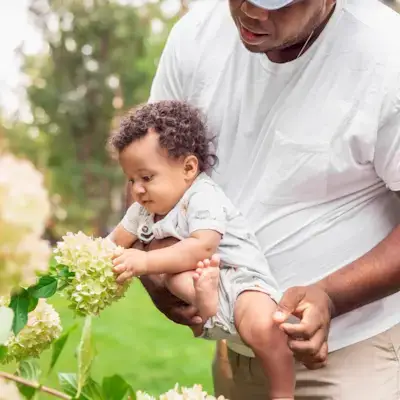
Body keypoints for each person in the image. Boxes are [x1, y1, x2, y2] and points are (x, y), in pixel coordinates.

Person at [129, 0, 400, 398]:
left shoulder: (386, 55)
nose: (252, 11)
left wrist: (331, 296)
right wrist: (154, 263)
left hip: (349, 359)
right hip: (237, 354)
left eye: (277, 2)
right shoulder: (195, 37)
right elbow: (146, 165)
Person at [108, 100, 295, 400]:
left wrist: (144, 260)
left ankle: (283, 392)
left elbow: (202, 246)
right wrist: (94, 263)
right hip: (201, 284)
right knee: (171, 275)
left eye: (146, 177)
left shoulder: (203, 195)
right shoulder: (142, 210)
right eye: (131, 180)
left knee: (265, 326)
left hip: (242, 280)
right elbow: (113, 243)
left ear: (188, 168)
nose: (137, 190)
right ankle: (206, 303)